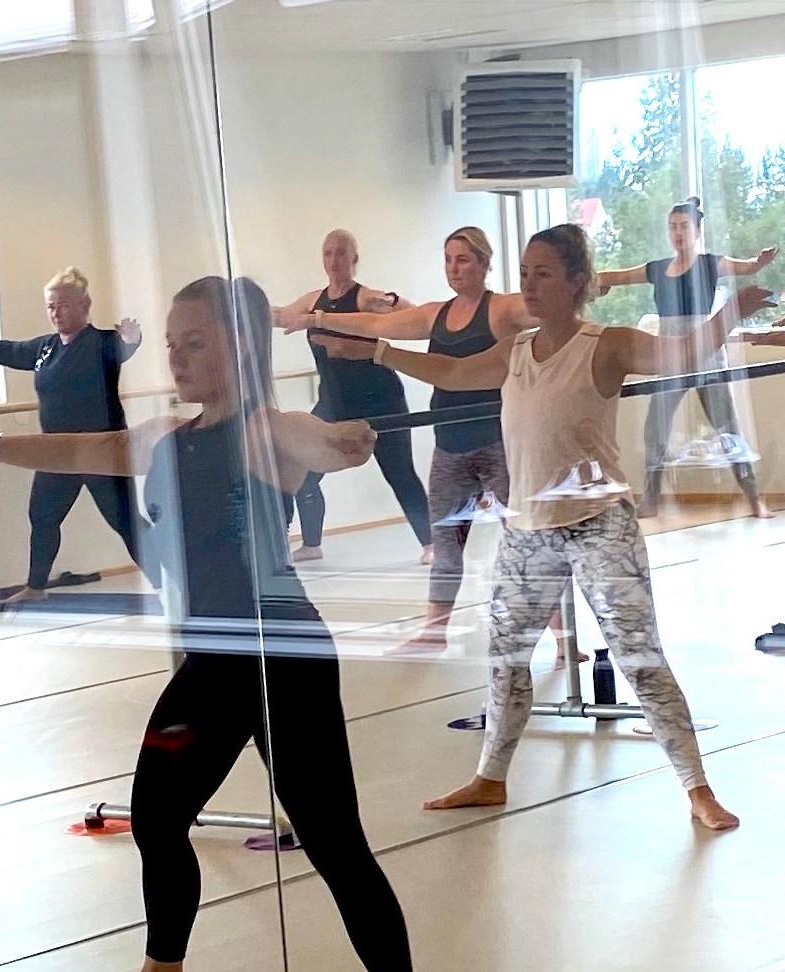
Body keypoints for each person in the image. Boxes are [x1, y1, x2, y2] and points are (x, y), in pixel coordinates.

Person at [0, 277, 458, 972]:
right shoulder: (169, 436)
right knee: (156, 817)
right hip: (211, 666)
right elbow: (87, 448)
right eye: (172, 343)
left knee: (334, 842)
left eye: (196, 343)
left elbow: (319, 440)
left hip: (286, 662)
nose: (178, 356)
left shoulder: (268, 432)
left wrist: (346, 441)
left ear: (240, 349)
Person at [322, 226, 769, 831]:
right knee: (506, 659)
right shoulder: (516, 350)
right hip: (528, 529)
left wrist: (730, 312)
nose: (530, 285)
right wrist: (376, 351)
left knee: (640, 658)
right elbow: (451, 372)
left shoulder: (606, 344)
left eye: (544, 274)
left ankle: (698, 788)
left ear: (578, 282)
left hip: (599, 525)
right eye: (526, 273)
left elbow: (682, 355)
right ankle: (490, 778)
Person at [281, 227, 544, 653]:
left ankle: (560, 636)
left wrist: (586, 283)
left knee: (523, 537)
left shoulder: (500, 309)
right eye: (448, 260)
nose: (454, 268)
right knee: (446, 543)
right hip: (450, 443)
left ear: (484, 263)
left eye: (463, 259)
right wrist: (315, 319)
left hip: (497, 441)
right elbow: (375, 324)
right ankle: (434, 631)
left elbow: (543, 306)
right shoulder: (435, 314)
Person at [0, 266, 150, 607]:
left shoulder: (101, 343)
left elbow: (125, 346)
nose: (56, 313)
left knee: (126, 523)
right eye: (51, 306)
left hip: (99, 452)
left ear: (84, 305)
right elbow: (5, 350)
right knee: (43, 517)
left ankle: (172, 582)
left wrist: (133, 337)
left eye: (63, 305)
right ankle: (36, 587)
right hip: (56, 453)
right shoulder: (46, 348)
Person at [598, 197, 775, 519]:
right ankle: (651, 498)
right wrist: (591, 279)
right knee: (655, 429)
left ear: (696, 231)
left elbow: (747, 267)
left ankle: (754, 498)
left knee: (727, 427)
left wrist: (759, 263)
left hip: (707, 350)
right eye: (673, 227)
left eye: (683, 226)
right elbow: (618, 276)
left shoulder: (710, 264)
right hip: (670, 353)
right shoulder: (657, 268)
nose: (678, 233)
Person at [270, 228, 432, 564]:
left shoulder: (365, 299)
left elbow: (415, 316)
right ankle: (311, 545)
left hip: (381, 402)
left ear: (354, 259)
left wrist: (392, 301)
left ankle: (432, 544)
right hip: (334, 403)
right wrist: (239, 305)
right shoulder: (312, 301)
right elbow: (280, 316)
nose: (334, 260)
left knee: (400, 474)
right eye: (328, 253)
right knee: (303, 471)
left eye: (341, 253)